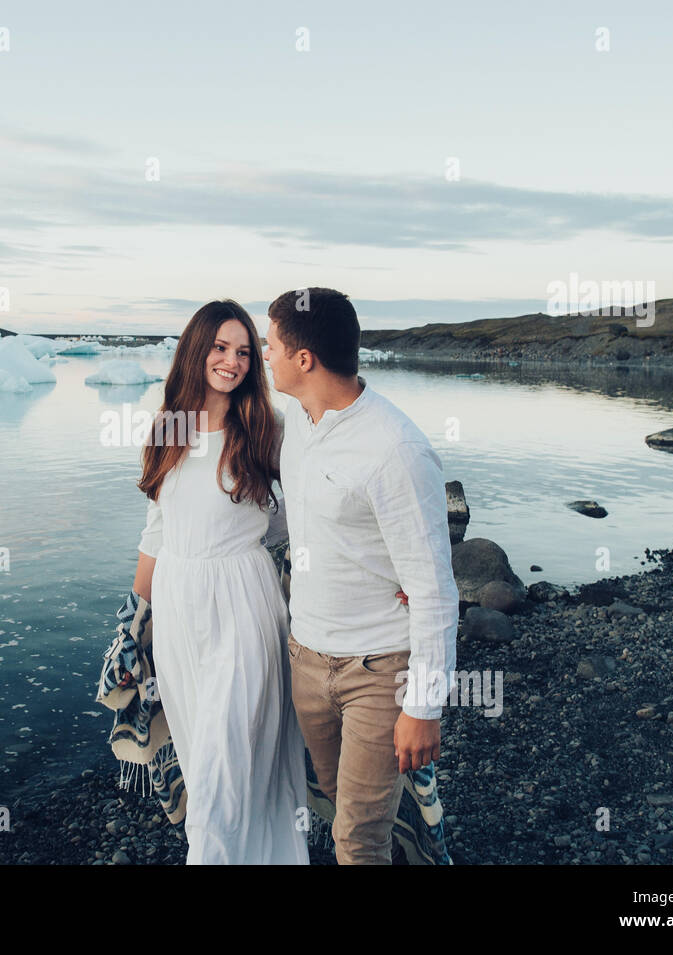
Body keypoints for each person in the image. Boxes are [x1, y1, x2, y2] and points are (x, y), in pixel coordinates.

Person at [263, 287, 459, 865]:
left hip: (379, 671)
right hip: (307, 659)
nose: (264, 355)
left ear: (304, 359)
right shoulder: (298, 423)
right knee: (338, 803)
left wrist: (424, 707)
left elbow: (433, 587)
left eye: (270, 345)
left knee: (356, 839)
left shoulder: (394, 448)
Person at [131, 299, 309, 865]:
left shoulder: (264, 427)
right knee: (203, 760)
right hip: (180, 615)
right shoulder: (168, 426)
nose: (231, 362)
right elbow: (158, 530)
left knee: (222, 769)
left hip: (243, 605)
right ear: (196, 349)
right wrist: (131, 624)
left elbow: (315, 509)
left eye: (243, 351)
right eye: (219, 347)